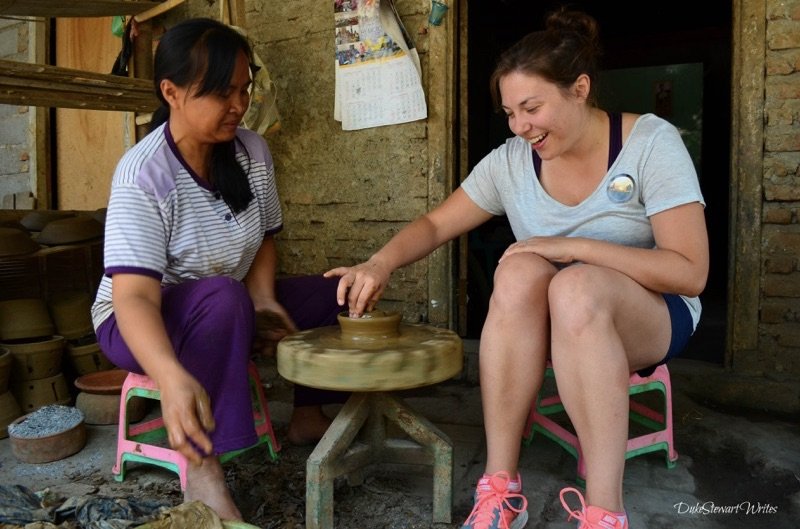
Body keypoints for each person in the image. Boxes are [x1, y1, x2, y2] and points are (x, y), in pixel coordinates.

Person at [324, 8, 708, 529]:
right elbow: (437, 225)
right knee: (518, 273)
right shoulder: (511, 160)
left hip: (652, 314)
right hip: (561, 318)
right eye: (510, 112)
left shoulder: (648, 144)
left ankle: (603, 513)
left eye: (532, 107)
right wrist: (380, 261)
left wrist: (573, 248)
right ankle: (499, 492)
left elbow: (689, 273)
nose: (520, 126)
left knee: (573, 285)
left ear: (580, 88)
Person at [90, 18, 344, 521]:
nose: (238, 105)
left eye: (243, 90)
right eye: (221, 93)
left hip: (224, 301)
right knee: (223, 297)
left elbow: (266, 238)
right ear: (173, 92)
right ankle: (202, 469)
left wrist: (266, 299)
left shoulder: (251, 151)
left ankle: (308, 416)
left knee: (335, 293)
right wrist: (168, 375)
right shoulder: (144, 174)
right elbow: (134, 297)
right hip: (136, 321)